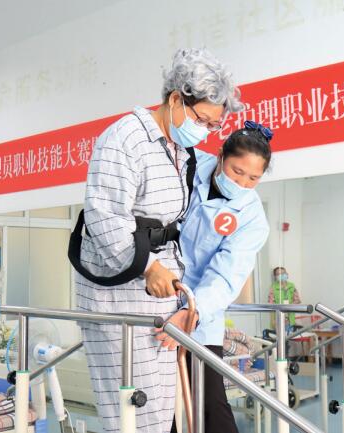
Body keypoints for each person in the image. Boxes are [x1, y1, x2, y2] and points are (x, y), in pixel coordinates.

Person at [69, 48, 242, 433]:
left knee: (162, 413)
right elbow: (104, 216)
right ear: (176, 99)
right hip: (116, 296)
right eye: (201, 119)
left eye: (213, 125)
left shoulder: (181, 150)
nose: (205, 130)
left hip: (158, 298)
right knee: (132, 413)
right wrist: (148, 266)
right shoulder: (125, 138)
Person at [158, 121, 271, 433]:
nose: (242, 183)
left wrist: (192, 312)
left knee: (211, 405)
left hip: (199, 315)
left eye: (253, 178)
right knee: (157, 406)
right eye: (237, 171)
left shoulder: (251, 217)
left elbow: (226, 275)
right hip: (155, 299)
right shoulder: (187, 167)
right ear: (221, 156)